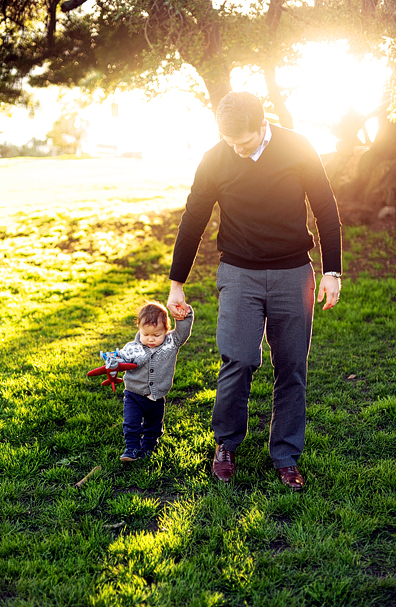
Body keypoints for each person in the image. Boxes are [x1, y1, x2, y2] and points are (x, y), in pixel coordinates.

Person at [167, 91, 342, 490]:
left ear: (263, 124)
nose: (236, 149)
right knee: (239, 359)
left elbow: (326, 208)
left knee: (292, 366)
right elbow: (193, 218)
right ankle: (226, 444)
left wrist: (332, 270)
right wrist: (177, 283)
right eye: (229, 142)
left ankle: (285, 456)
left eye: (243, 142)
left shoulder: (298, 147)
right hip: (239, 274)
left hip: (293, 272)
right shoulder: (216, 157)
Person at [105, 301, 194, 462]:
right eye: (146, 335)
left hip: (157, 396)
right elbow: (121, 357)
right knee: (131, 423)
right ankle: (131, 448)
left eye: (156, 335)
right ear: (139, 328)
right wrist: (113, 361)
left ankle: (148, 448)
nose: (150, 339)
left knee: (153, 426)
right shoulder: (133, 347)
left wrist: (185, 314)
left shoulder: (171, 343)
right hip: (134, 394)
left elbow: (183, 332)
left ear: (166, 331)